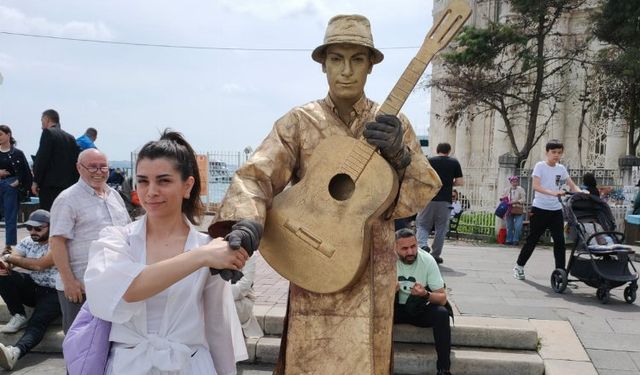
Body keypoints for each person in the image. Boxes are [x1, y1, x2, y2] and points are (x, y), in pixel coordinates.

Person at [210, 15, 440, 375]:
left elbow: (420, 192)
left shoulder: (393, 123)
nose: (346, 71)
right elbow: (256, 174)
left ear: (370, 66)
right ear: (323, 64)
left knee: (370, 359)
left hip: (373, 265)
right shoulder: (299, 122)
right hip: (314, 261)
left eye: (357, 59)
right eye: (336, 59)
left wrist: (401, 159)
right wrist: (247, 224)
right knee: (309, 354)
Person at [84, 131, 248, 374]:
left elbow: (217, 325)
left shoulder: (209, 246)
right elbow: (129, 289)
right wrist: (200, 257)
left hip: (191, 365)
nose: (150, 191)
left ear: (187, 185)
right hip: (128, 366)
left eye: (163, 181)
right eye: (142, 181)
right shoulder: (117, 239)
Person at [49, 148, 130, 333]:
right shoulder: (67, 199)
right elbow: (56, 242)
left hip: (113, 285)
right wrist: (69, 281)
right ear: (79, 168)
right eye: (93, 167)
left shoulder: (114, 196)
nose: (99, 172)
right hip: (81, 287)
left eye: (103, 167)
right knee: (80, 347)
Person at [0, 210, 61, 371]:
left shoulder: (58, 243)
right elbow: (14, 256)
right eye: (29, 228)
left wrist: (9, 259)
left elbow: (39, 264)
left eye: (38, 228)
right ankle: (18, 315)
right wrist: (5, 265)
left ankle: (15, 352)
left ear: (50, 227)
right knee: (4, 275)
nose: (33, 232)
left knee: (37, 323)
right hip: (35, 287)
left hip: (56, 293)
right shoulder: (28, 241)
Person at [513, 139, 582, 280]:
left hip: (556, 210)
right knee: (532, 239)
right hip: (540, 209)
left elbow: (572, 185)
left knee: (560, 242)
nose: (556, 155)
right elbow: (536, 186)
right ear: (547, 152)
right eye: (553, 152)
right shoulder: (540, 166)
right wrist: (553, 193)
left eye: (559, 152)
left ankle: (560, 273)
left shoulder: (561, 169)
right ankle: (519, 266)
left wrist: (582, 192)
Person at [394, 228, 452, 375]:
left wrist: (425, 294)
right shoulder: (386, 260)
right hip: (393, 309)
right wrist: (386, 291)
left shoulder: (427, 260)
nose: (410, 252)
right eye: (405, 248)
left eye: (413, 246)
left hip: (418, 309)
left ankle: (444, 369)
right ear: (395, 248)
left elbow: (442, 297)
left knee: (442, 313)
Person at [415, 142, 463, 264]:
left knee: (423, 224)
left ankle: (422, 245)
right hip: (445, 200)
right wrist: (448, 184)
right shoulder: (454, 162)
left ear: (437, 150)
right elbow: (460, 182)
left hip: (429, 198)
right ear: (449, 150)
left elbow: (421, 178)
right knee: (441, 228)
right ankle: (435, 255)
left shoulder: (429, 160)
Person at [31, 109, 80, 211]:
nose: (41, 124)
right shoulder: (71, 137)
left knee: (49, 217)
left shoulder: (48, 133)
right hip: (68, 186)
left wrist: (36, 181)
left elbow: (42, 159)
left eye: (42, 120)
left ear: (47, 119)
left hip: (50, 186)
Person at [0, 125, 32, 253]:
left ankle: (8, 246)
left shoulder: (17, 153)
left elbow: (26, 172)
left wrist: (17, 182)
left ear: (8, 135)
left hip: (10, 186)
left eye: (1, 134)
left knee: (10, 217)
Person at [232, 255, 264, 338]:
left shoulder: (249, 253)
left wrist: (222, 294)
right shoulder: (214, 250)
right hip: (221, 299)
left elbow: (243, 287)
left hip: (243, 301)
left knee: (219, 306)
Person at [502, 176, 526, 245]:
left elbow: (523, 199)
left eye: (516, 181)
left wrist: (516, 201)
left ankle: (516, 240)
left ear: (517, 182)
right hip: (509, 210)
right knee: (509, 226)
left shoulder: (521, 189)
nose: (514, 183)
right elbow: (503, 197)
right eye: (513, 181)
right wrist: (503, 200)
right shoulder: (507, 189)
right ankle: (509, 240)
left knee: (518, 226)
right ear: (510, 182)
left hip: (518, 209)